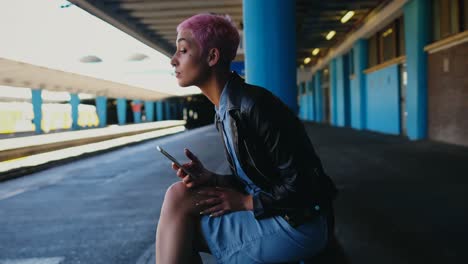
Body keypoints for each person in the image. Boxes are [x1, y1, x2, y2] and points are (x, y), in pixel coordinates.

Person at [155, 13, 337, 264]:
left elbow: (304, 185)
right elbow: (263, 179)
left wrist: (245, 202)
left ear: (212, 57)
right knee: (178, 195)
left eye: (182, 50)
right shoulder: (226, 110)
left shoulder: (254, 106)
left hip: (299, 223)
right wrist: (214, 178)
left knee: (179, 232)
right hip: (277, 211)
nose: (173, 60)